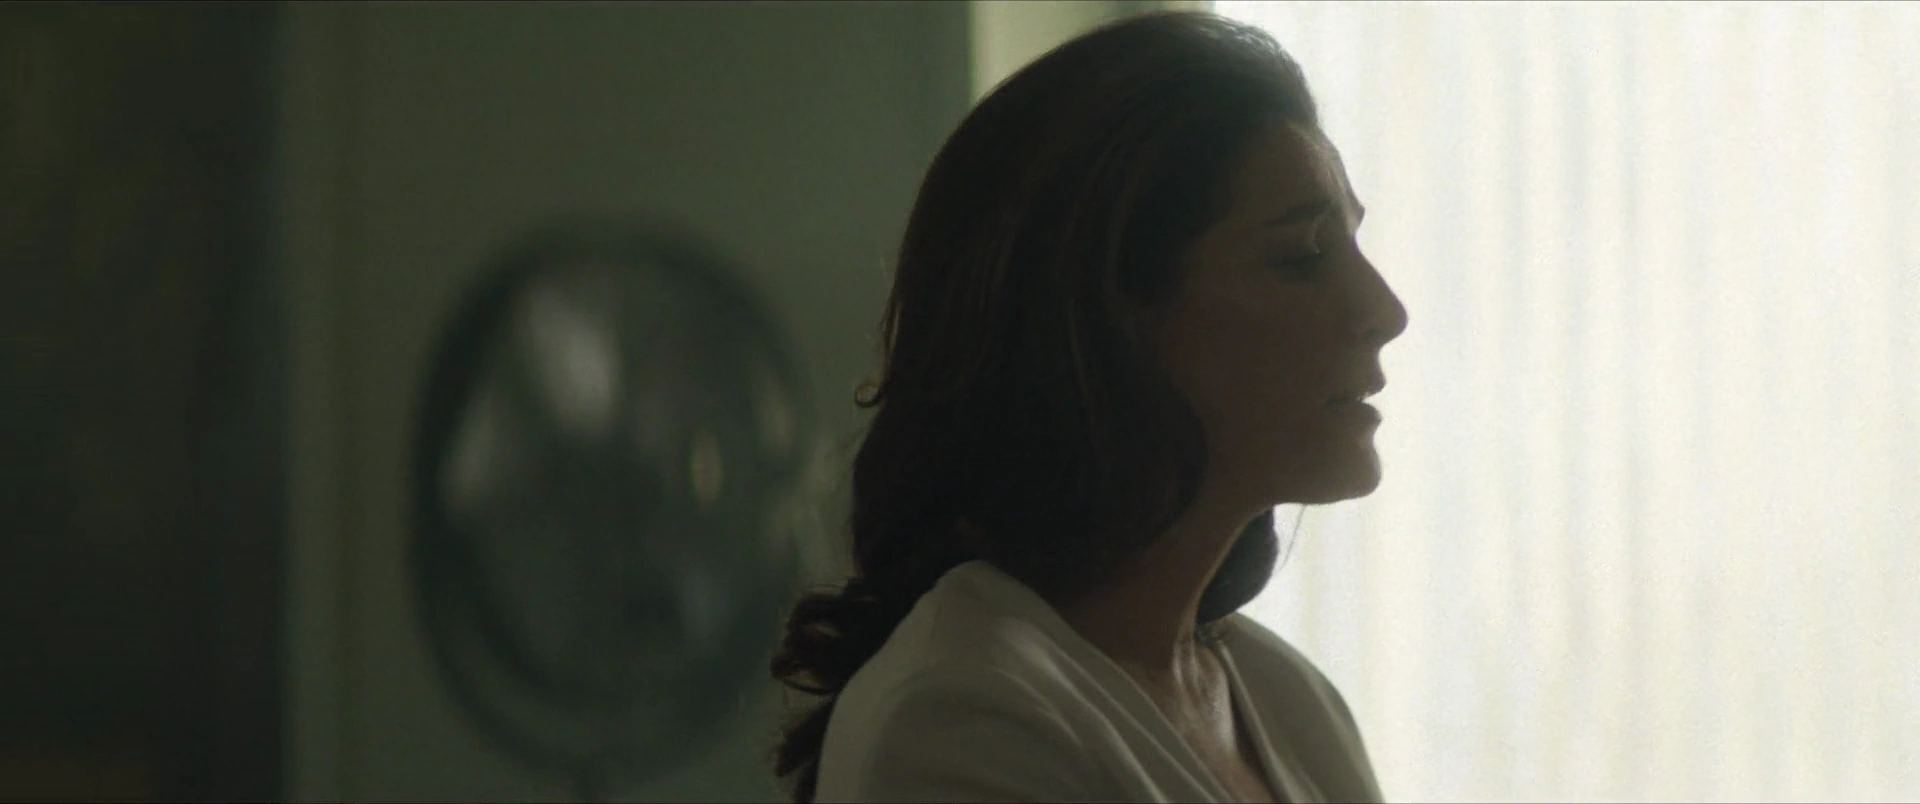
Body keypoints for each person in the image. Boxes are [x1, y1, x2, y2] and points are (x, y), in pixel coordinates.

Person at [768, 10, 1407, 803]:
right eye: (1300, 257)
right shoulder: (962, 720)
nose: (1383, 311)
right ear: (1110, 319)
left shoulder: (1290, 700)